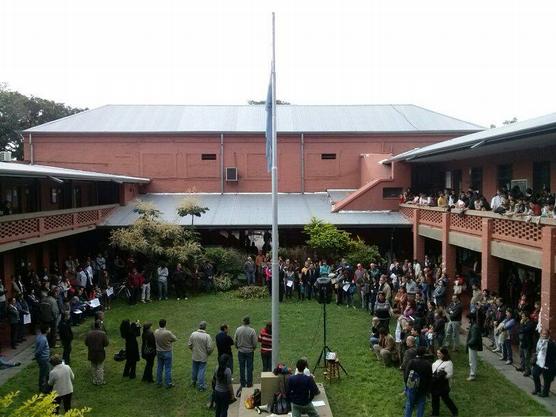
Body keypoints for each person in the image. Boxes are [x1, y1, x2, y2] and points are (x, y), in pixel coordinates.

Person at [404, 347, 432, 417]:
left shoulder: (412, 362)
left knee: (409, 404)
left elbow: (406, 375)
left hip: (412, 386)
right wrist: (428, 390)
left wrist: (406, 386)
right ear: (424, 353)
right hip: (423, 388)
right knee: (421, 404)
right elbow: (430, 378)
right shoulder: (428, 364)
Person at [431, 347, 458, 417]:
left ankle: (454, 411)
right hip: (435, 383)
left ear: (444, 354)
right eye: (437, 353)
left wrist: (440, 377)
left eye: (439, 353)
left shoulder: (448, 363)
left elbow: (449, 374)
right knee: (434, 399)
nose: (438, 354)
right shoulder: (437, 361)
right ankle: (435, 413)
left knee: (446, 399)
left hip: (443, 384)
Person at [188, 320, 214, 391]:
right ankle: (201, 385)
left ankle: (193, 381)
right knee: (201, 370)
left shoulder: (193, 334)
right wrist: (208, 353)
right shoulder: (207, 336)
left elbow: (189, 345)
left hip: (195, 355)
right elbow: (209, 348)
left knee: (194, 369)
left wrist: (193, 351)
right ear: (205, 327)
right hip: (203, 357)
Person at [234, 316, 257, 392]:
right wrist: (253, 348)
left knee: (242, 367)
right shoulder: (252, 331)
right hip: (249, 351)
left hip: (241, 351)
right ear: (249, 322)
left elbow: (235, 340)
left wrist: (237, 347)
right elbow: (254, 342)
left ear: (243, 321)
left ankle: (243, 383)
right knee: (250, 367)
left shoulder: (238, 329)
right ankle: (249, 383)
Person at [532, 328, 556, 397]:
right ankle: (537, 389)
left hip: (547, 364)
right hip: (539, 362)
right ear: (540, 334)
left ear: (548, 335)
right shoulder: (539, 340)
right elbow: (537, 350)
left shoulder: (551, 344)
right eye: (543, 334)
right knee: (535, 374)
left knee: (547, 379)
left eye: (546, 334)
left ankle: (545, 393)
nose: (544, 335)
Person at [85, 320, 109, 385]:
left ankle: (95, 380)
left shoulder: (89, 334)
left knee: (93, 367)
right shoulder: (103, 334)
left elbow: (86, 343)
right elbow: (106, 343)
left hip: (91, 352)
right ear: (99, 326)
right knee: (100, 367)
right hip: (100, 353)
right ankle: (100, 381)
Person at [155, 318, 177, 388]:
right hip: (167, 352)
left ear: (159, 324)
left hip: (158, 351)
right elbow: (174, 339)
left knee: (159, 367)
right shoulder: (167, 332)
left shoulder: (156, 331)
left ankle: (158, 382)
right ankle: (168, 383)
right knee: (168, 368)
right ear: (165, 324)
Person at [466, 313, 483, 381]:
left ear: (471, 319)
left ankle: (472, 375)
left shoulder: (474, 327)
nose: (468, 320)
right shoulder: (474, 325)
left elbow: (474, 338)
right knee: (473, 360)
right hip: (473, 346)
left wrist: (468, 343)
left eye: (469, 319)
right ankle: (473, 373)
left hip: (473, 346)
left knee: (472, 361)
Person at [35, 325, 51, 392]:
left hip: (43, 358)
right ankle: (42, 388)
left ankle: (48, 386)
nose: (50, 329)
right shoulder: (43, 339)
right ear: (46, 330)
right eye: (49, 328)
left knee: (46, 372)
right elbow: (39, 350)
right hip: (43, 359)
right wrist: (37, 356)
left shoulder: (40, 336)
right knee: (43, 373)